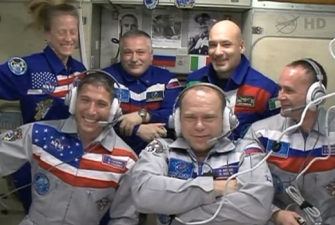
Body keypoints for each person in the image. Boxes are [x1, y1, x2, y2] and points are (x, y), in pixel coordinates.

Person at [0, 71, 139, 225]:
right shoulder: (40, 134)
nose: (91, 111)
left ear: (113, 111)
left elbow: (124, 218)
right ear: (73, 101)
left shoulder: (126, 160)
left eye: (101, 104)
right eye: (85, 100)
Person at [0, 0, 87, 214]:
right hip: (36, 158)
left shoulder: (79, 70)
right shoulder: (29, 68)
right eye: (62, 32)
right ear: (48, 33)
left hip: (70, 159)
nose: (69, 38)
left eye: (73, 32)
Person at [130, 83, 275, 225]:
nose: (199, 126)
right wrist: (215, 188)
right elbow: (143, 194)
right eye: (190, 117)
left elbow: (257, 208)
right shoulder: (161, 150)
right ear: (177, 121)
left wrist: (175, 211)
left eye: (209, 118)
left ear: (226, 120)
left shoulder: (246, 152)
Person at [244, 58, 335, 225]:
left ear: (316, 96)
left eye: (289, 91)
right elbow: (246, 186)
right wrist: (274, 213)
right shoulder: (261, 133)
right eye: (280, 89)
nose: (280, 96)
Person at [186, 20, 281, 140]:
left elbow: (277, 135)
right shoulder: (194, 81)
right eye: (212, 45)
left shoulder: (266, 90)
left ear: (241, 47)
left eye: (226, 45)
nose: (218, 52)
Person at [102, 30, 182, 155]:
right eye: (128, 52)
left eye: (140, 52)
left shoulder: (166, 79)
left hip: (158, 152)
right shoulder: (104, 79)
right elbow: (96, 118)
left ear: (151, 55)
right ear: (121, 55)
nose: (134, 59)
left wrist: (144, 115)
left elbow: (176, 114)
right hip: (112, 151)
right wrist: (137, 130)